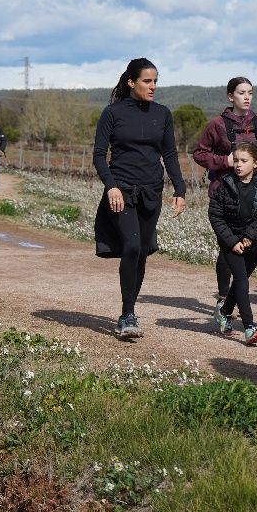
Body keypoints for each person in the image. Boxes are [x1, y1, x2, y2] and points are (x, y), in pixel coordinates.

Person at [93, 58, 187, 338]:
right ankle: (127, 314)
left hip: (151, 192)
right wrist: (111, 186)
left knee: (143, 251)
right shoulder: (112, 113)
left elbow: (169, 154)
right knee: (132, 246)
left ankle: (130, 310)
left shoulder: (163, 113)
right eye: (147, 81)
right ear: (131, 82)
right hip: (121, 192)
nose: (153, 86)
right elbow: (99, 155)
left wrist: (180, 190)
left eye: (156, 81)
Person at [193, 76, 257, 315]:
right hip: (225, 193)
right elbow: (199, 153)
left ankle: (237, 291)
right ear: (230, 96)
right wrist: (222, 161)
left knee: (255, 244)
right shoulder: (217, 124)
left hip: (255, 194)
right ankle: (224, 296)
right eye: (241, 92)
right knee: (228, 247)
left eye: (250, 92)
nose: (246, 97)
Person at [208, 141, 257, 345]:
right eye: (236, 160)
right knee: (242, 281)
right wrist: (231, 242)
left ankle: (224, 312)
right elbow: (215, 216)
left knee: (240, 282)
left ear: (255, 163)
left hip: (254, 244)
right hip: (230, 243)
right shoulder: (224, 185)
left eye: (243, 161)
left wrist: (251, 235)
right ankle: (249, 327)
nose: (238, 164)